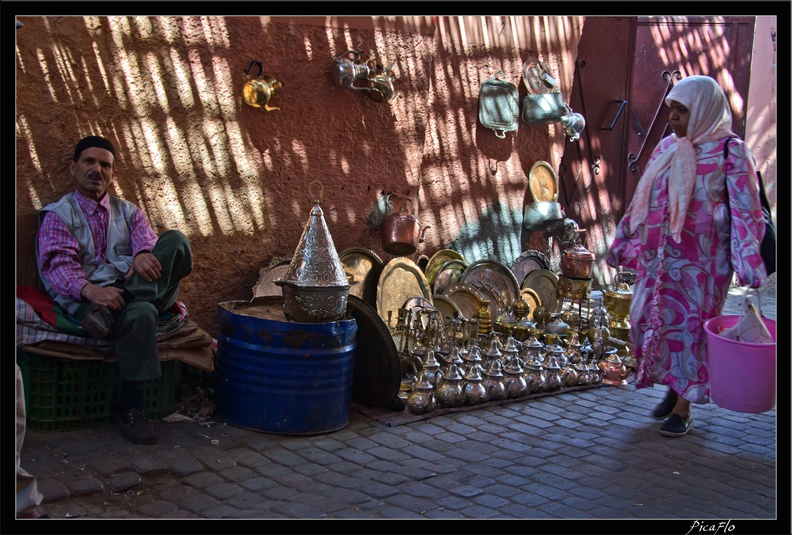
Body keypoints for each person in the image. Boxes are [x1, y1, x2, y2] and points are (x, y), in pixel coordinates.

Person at [606, 75, 767, 437]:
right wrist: (625, 241)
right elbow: (641, 199)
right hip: (659, 261)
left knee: (691, 332)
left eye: (683, 111)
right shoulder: (667, 147)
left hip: (703, 266)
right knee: (647, 321)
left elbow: (746, 210)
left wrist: (748, 261)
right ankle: (673, 386)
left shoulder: (731, 151)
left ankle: (684, 406)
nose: (674, 119)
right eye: (672, 110)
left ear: (705, 110)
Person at [36, 135, 193, 444]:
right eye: (89, 161)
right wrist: (91, 291)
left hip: (131, 292)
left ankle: (132, 295)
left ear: (113, 173)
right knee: (142, 313)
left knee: (175, 240)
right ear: (73, 168)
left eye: (105, 164)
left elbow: (148, 244)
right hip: (93, 300)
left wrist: (144, 254)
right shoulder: (58, 214)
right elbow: (57, 266)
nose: (97, 169)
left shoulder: (128, 211)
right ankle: (133, 408)